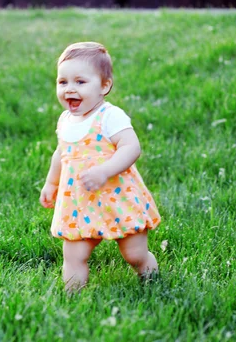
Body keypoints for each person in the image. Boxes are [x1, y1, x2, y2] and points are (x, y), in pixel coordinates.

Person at [39, 42, 161, 291]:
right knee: (73, 255)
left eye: (80, 82)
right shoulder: (65, 120)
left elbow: (131, 147)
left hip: (117, 198)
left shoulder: (109, 116)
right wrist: (51, 183)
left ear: (104, 86)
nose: (69, 89)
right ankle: (72, 299)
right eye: (63, 82)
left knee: (134, 254)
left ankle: (152, 282)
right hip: (79, 203)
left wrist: (104, 171)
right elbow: (61, 153)